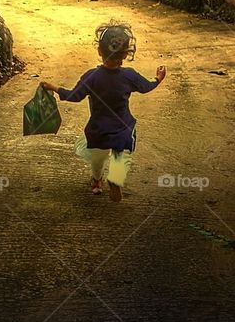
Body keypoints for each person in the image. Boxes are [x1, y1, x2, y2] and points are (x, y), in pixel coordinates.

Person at [41, 22, 165, 202]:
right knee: (121, 155)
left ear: (99, 51)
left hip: (98, 130)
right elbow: (146, 87)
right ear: (125, 55)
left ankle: (97, 181)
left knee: (97, 158)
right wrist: (158, 79)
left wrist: (53, 87)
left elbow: (73, 96)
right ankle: (116, 179)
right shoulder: (129, 76)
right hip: (122, 128)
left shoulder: (91, 77)